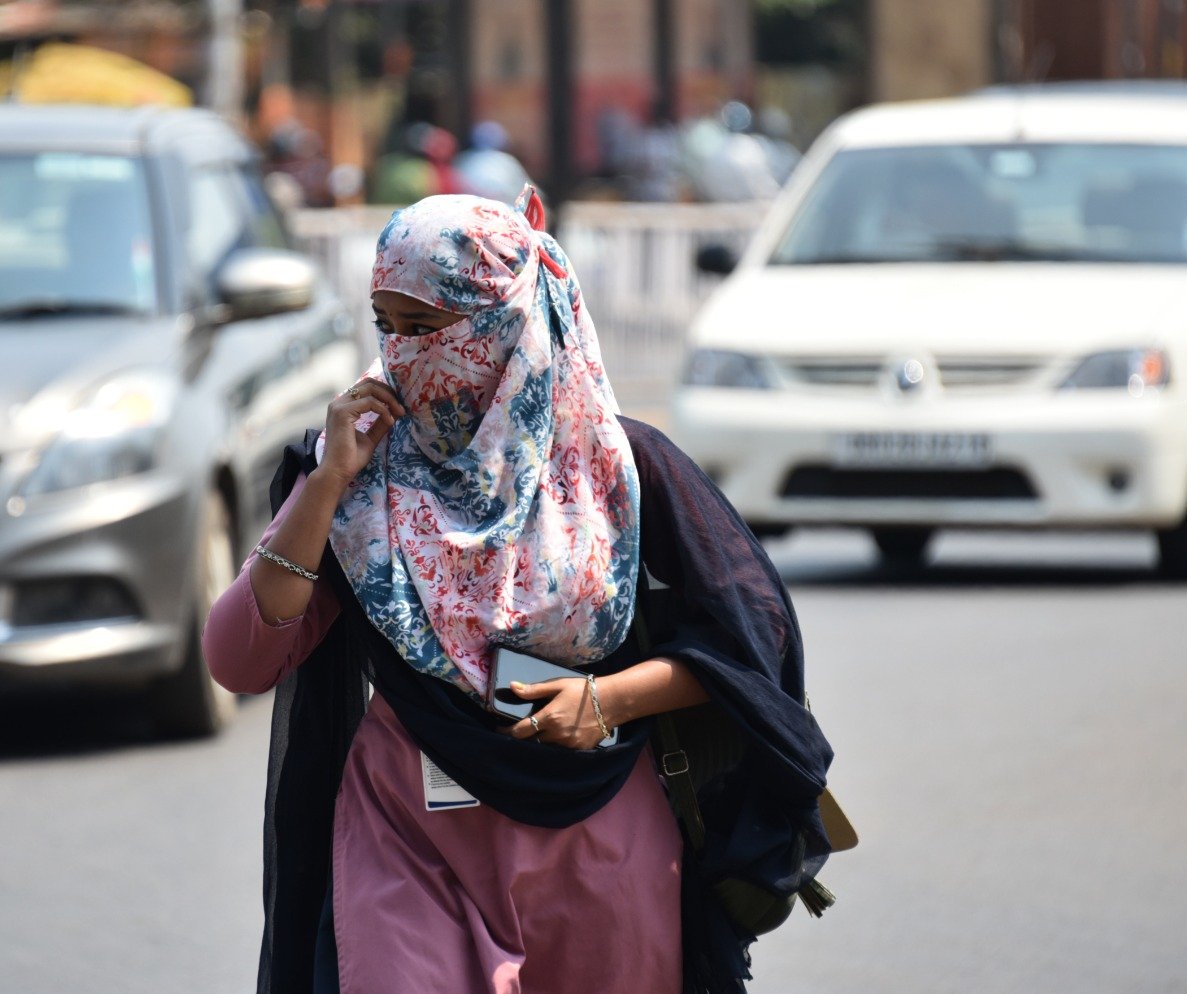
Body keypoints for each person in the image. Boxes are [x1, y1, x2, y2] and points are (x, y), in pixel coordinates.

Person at [203, 186, 834, 994]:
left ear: (505, 320)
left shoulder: (621, 473)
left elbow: (752, 650)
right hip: (410, 837)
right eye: (386, 327)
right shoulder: (357, 480)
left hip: (597, 837)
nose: (400, 356)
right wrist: (324, 487)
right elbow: (239, 659)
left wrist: (608, 702)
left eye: (428, 329)